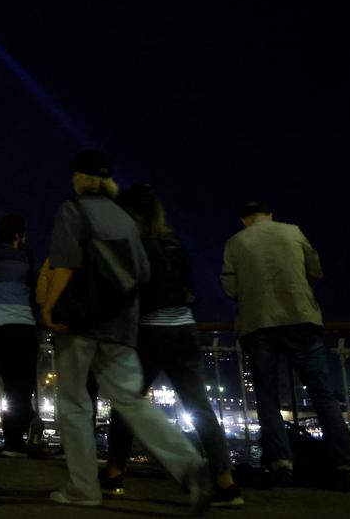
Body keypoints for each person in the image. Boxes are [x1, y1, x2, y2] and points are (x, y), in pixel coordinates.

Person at [39, 151, 211, 512]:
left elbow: (65, 265)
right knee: (130, 400)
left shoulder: (74, 210)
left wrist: (49, 306)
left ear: (80, 180)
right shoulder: (125, 218)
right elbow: (143, 274)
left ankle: (83, 488)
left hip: (80, 324)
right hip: (120, 324)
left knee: (74, 404)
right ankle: (188, 465)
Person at [101, 185, 243, 506]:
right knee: (201, 407)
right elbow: (189, 288)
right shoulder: (175, 242)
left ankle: (113, 474)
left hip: (150, 331)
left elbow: (129, 295)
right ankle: (226, 482)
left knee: (128, 403)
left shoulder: (134, 246)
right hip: (184, 330)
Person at [221, 201, 350, 490]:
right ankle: (346, 466)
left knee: (268, 397)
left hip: (257, 323)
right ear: (270, 214)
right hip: (300, 318)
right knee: (323, 395)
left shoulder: (235, 242)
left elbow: (231, 288)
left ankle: (281, 465)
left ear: (244, 220)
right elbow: (316, 270)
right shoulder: (293, 232)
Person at [0, 214, 40, 456]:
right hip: (22, 328)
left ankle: (13, 439)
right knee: (23, 386)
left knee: (11, 385)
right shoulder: (25, 261)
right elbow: (35, 295)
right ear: (17, 236)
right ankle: (18, 437)